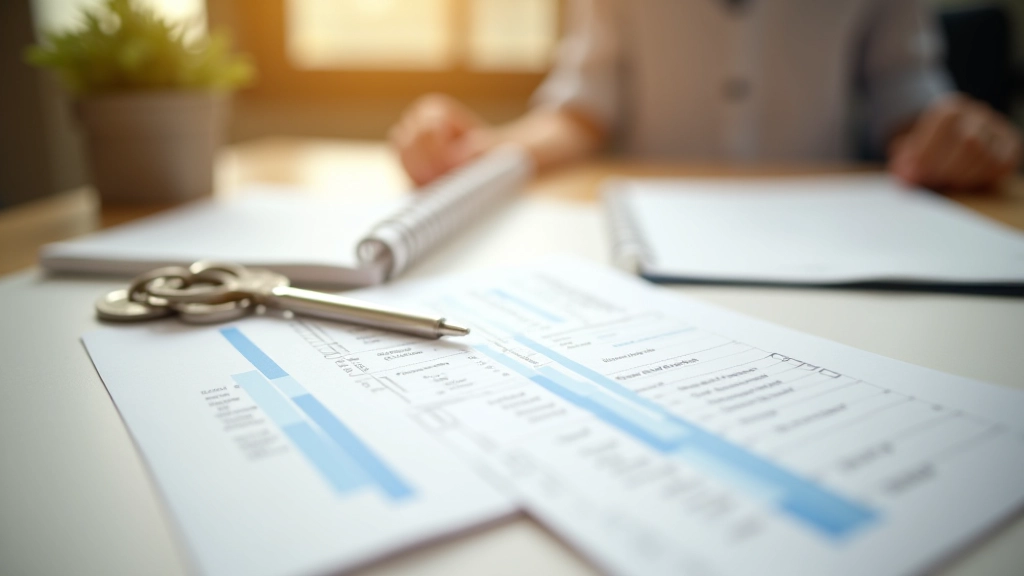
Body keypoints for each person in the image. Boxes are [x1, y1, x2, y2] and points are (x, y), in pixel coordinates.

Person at [389, 0, 1022, 191]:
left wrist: (953, 139)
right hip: (641, 243)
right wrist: (489, 148)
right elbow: (582, 108)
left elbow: (907, 102)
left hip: (825, 233)